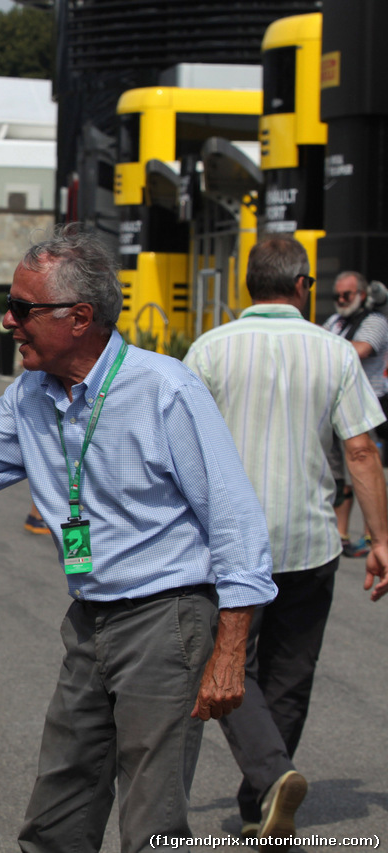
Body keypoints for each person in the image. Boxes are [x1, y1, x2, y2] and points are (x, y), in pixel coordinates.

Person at [0, 228, 277, 853]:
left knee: (151, 820)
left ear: (79, 318)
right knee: (59, 809)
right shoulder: (29, 396)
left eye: (23, 309)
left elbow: (234, 519)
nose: (9, 324)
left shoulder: (165, 390)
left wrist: (230, 649)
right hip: (90, 620)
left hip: (167, 619)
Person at [184, 237, 388, 840]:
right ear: (303, 286)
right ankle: (264, 798)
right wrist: (380, 538)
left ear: (248, 284)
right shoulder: (335, 353)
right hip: (310, 539)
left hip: (228, 545)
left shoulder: (208, 350)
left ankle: (271, 782)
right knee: (291, 673)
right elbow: (360, 450)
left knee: (231, 665)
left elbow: (182, 447)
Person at [322, 269, 388, 556]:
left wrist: (321, 347)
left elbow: (360, 349)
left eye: (346, 294)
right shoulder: (335, 322)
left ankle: (376, 537)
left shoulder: (375, 321)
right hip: (334, 404)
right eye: (337, 294)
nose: (340, 299)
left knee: (364, 467)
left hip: (366, 405)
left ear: (362, 295)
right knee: (337, 475)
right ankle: (342, 534)